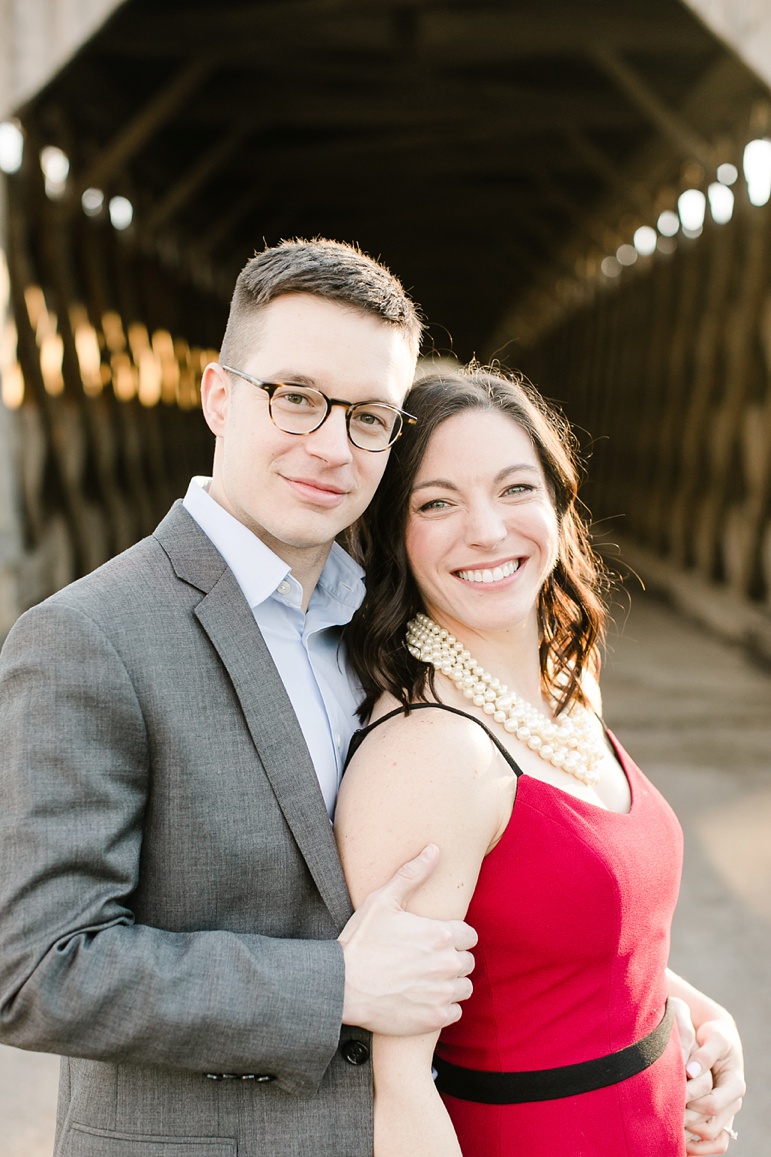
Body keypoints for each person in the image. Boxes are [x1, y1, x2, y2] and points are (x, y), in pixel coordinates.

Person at [0, 239, 478, 1157]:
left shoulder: (390, 624)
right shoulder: (88, 636)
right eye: (296, 397)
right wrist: (333, 985)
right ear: (219, 395)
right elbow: (36, 968)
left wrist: (669, 1014)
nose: (331, 446)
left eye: (370, 416)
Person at [336, 365, 745, 1156]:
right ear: (392, 533)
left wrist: (696, 1014)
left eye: (515, 488)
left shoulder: (563, 680)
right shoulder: (430, 750)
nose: (486, 529)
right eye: (436, 502)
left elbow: (583, 945)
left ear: (558, 503)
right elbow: (395, 1088)